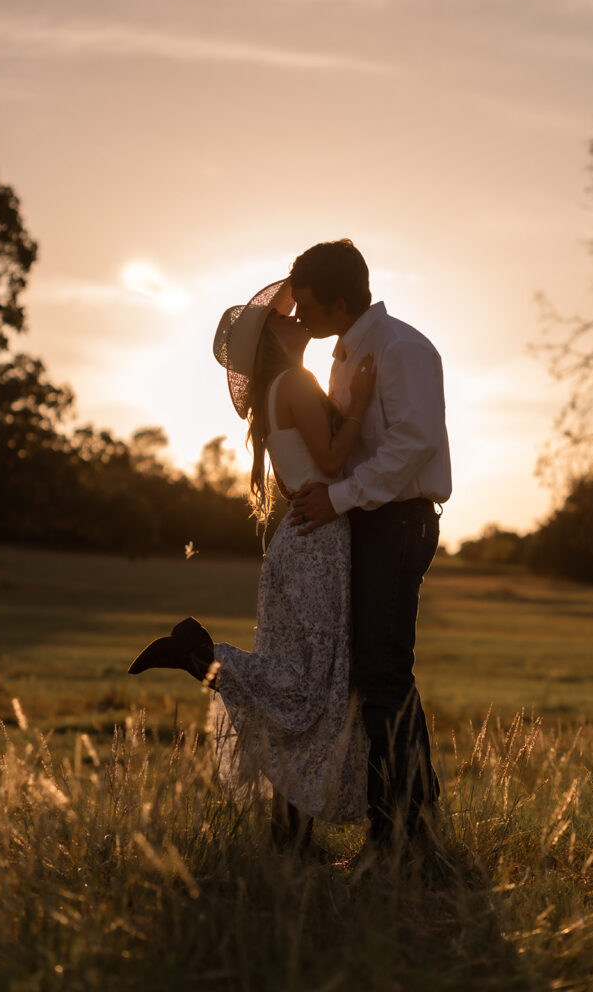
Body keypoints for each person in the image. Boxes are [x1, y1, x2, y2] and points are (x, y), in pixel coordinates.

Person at [128, 277, 376, 847]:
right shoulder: (293, 382)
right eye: (288, 317)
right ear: (272, 338)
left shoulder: (275, 390)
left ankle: (290, 832)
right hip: (316, 539)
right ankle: (203, 655)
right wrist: (359, 404)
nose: (299, 319)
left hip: (298, 538)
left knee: (297, 688)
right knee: (312, 685)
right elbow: (334, 463)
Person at [288, 239, 451, 852]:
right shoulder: (347, 356)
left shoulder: (401, 348)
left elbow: (414, 445)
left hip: (400, 522)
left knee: (382, 677)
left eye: (306, 308)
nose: (301, 321)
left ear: (337, 301)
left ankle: (403, 836)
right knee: (369, 675)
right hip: (367, 522)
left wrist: (337, 497)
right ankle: (410, 825)